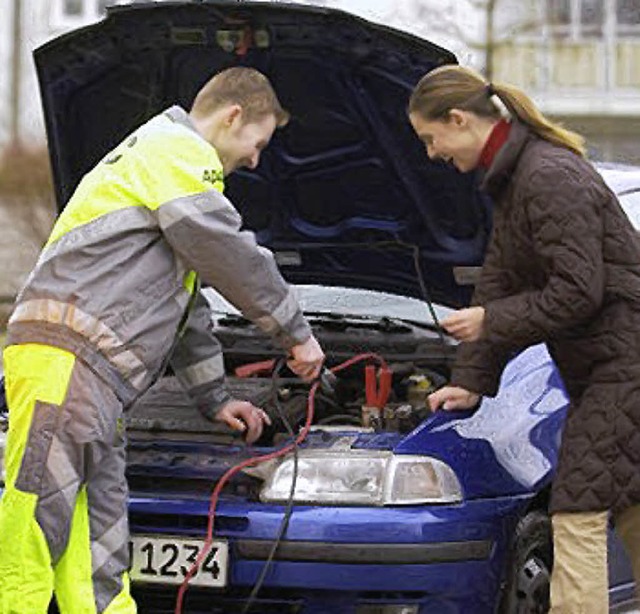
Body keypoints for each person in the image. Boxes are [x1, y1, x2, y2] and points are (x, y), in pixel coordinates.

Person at [0, 67, 325, 613]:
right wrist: (295, 333)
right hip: (67, 361)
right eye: (258, 142)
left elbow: (185, 311)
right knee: (35, 527)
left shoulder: (166, 172)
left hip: (95, 380)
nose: (256, 159)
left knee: (98, 549)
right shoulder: (172, 150)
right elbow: (229, 251)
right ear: (233, 116)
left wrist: (215, 399)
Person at [408, 64, 640, 613]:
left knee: (578, 513)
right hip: (608, 368)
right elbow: (500, 280)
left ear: (459, 120)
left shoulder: (549, 177)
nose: (430, 154)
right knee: (629, 503)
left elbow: (579, 290)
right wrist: (470, 381)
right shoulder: (518, 181)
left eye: (429, 137)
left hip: (623, 369)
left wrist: (491, 321)